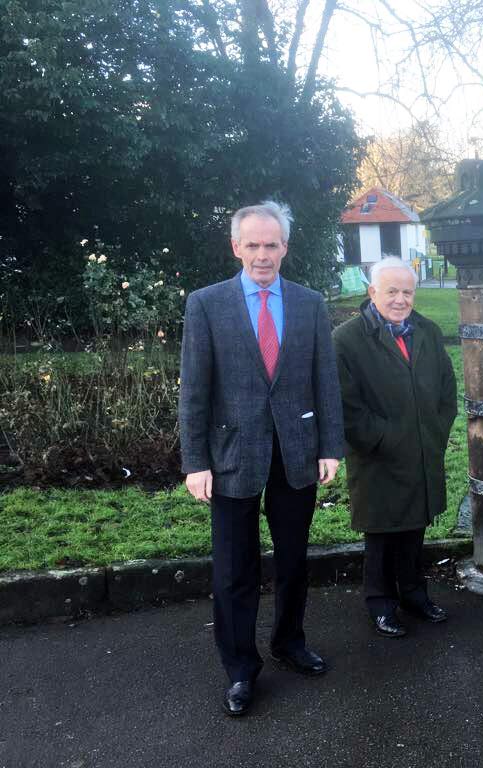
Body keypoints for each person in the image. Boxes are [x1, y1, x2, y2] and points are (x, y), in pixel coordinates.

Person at [179, 201, 344, 716]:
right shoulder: (207, 304)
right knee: (234, 569)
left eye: (272, 244)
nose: (262, 254)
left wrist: (331, 446)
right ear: (236, 247)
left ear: (285, 247)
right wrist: (194, 460)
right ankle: (240, 669)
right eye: (252, 244)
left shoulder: (310, 302)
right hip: (231, 456)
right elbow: (195, 391)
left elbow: (325, 381)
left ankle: (290, 644)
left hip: (297, 451)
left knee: (294, 560)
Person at [332, 257, 457, 638]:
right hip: (378, 458)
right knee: (382, 534)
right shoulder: (347, 340)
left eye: (407, 291)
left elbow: (447, 390)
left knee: (414, 528)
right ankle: (380, 603)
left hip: (421, 450)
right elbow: (346, 407)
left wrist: (433, 433)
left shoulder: (428, 331)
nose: (401, 299)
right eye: (392, 291)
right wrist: (386, 439)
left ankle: (414, 595)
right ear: (372, 293)